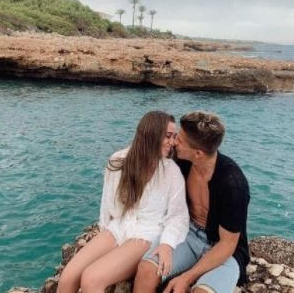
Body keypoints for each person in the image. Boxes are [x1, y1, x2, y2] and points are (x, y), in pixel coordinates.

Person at [57, 111, 189, 293]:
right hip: (119, 227)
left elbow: (178, 216)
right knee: (67, 277)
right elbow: (107, 206)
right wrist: (104, 238)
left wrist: (166, 244)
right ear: (151, 134)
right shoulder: (118, 161)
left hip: (146, 234)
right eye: (168, 136)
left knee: (91, 279)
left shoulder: (171, 171)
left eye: (174, 137)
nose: (173, 142)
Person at [133, 111, 250, 293]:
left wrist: (187, 278)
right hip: (187, 234)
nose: (174, 142)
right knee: (147, 270)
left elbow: (227, 244)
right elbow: (146, 158)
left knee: (202, 292)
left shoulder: (233, 185)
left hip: (223, 249)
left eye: (179, 140)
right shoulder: (182, 161)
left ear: (198, 153)